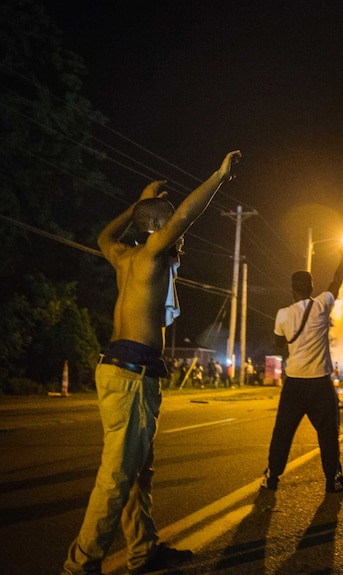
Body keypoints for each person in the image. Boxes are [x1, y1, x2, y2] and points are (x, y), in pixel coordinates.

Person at [63, 150, 241, 575]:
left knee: (138, 474)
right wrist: (218, 176)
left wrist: (136, 204)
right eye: (171, 232)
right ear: (157, 230)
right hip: (131, 375)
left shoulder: (123, 257)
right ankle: (79, 567)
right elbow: (182, 218)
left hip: (122, 371)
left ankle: (143, 552)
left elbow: (105, 237)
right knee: (116, 478)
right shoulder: (152, 254)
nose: (181, 241)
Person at [261, 246, 343, 494]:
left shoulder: (282, 314)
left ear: (292, 289)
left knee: (282, 432)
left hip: (294, 383)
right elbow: (337, 281)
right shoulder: (323, 303)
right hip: (320, 384)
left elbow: (279, 343)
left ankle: (271, 478)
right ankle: (334, 480)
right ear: (312, 287)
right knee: (328, 434)